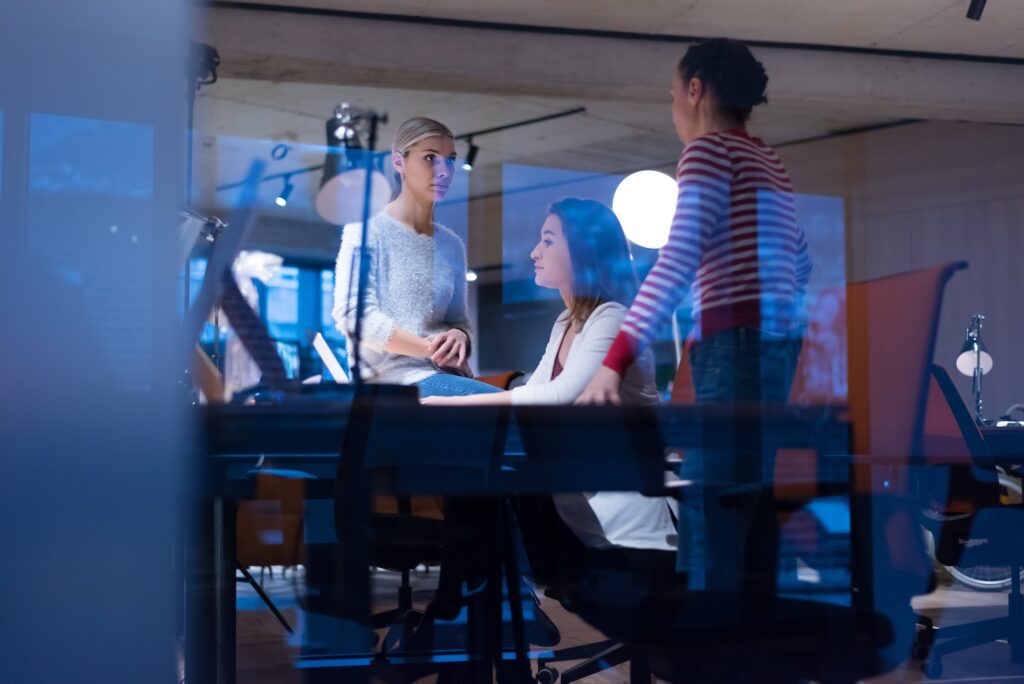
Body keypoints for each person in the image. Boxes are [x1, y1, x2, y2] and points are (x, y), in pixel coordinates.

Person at [576, 38, 812, 590]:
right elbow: (799, 262)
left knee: (709, 511)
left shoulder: (708, 151)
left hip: (736, 346)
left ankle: (704, 647)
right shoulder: (766, 158)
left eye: (673, 94)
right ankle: (748, 648)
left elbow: (676, 261)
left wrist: (614, 362)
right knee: (745, 506)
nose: (675, 108)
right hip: (777, 349)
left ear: (695, 89)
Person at [425, 198, 675, 553]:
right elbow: (537, 389)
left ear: (583, 251)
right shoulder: (566, 323)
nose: (534, 252)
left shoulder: (613, 316)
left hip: (623, 495)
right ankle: (481, 596)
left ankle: (482, 596)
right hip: (582, 482)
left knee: (487, 482)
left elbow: (560, 394)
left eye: (548, 240)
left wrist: (449, 404)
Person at [332, 116, 500, 398]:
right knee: (507, 411)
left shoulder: (451, 245)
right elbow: (354, 316)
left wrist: (461, 338)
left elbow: (459, 320)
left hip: (441, 376)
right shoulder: (366, 230)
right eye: (430, 158)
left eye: (450, 160)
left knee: (521, 408)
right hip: (392, 382)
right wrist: (432, 350)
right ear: (399, 163)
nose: (444, 170)